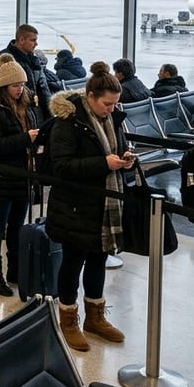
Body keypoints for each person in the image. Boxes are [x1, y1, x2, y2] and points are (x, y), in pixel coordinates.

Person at [46, 61, 133, 352]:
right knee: (73, 262)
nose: (111, 109)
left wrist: (124, 157)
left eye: (114, 104)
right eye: (107, 104)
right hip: (74, 206)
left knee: (98, 260)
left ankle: (95, 317)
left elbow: (115, 148)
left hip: (104, 205)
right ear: (91, 97)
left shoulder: (113, 119)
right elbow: (61, 166)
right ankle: (67, 318)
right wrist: (103, 164)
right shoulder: (68, 121)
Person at [0, 53, 42, 298]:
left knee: (17, 228)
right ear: (3, 86)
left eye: (22, 85)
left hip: (21, 177)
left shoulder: (27, 106)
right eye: (15, 85)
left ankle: (16, 270)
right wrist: (27, 138)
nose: (19, 89)